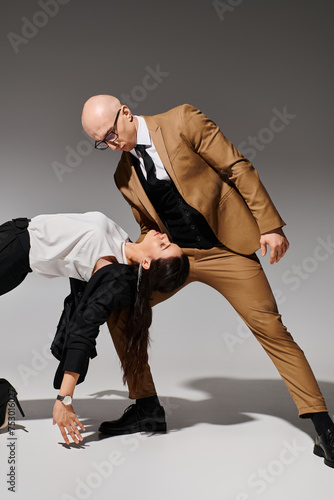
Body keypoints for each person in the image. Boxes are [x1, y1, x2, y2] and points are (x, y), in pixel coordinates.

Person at [81, 95, 334, 468]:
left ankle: (323, 426)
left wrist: (270, 225)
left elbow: (236, 167)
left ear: (126, 113)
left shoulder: (182, 120)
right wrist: (134, 254)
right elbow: (149, 226)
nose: (112, 143)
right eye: (102, 143)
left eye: (112, 133)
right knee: (119, 304)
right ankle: (147, 406)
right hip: (177, 256)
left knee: (271, 328)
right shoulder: (124, 175)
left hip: (226, 248)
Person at [0, 212, 189, 444]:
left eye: (165, 247)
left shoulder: (112, 274)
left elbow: (85, 329)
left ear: (147, 263)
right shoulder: (122, 244)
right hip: (13, 235)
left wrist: (65, 399)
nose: (164, 239)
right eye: (169, 242)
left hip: (11, 253)